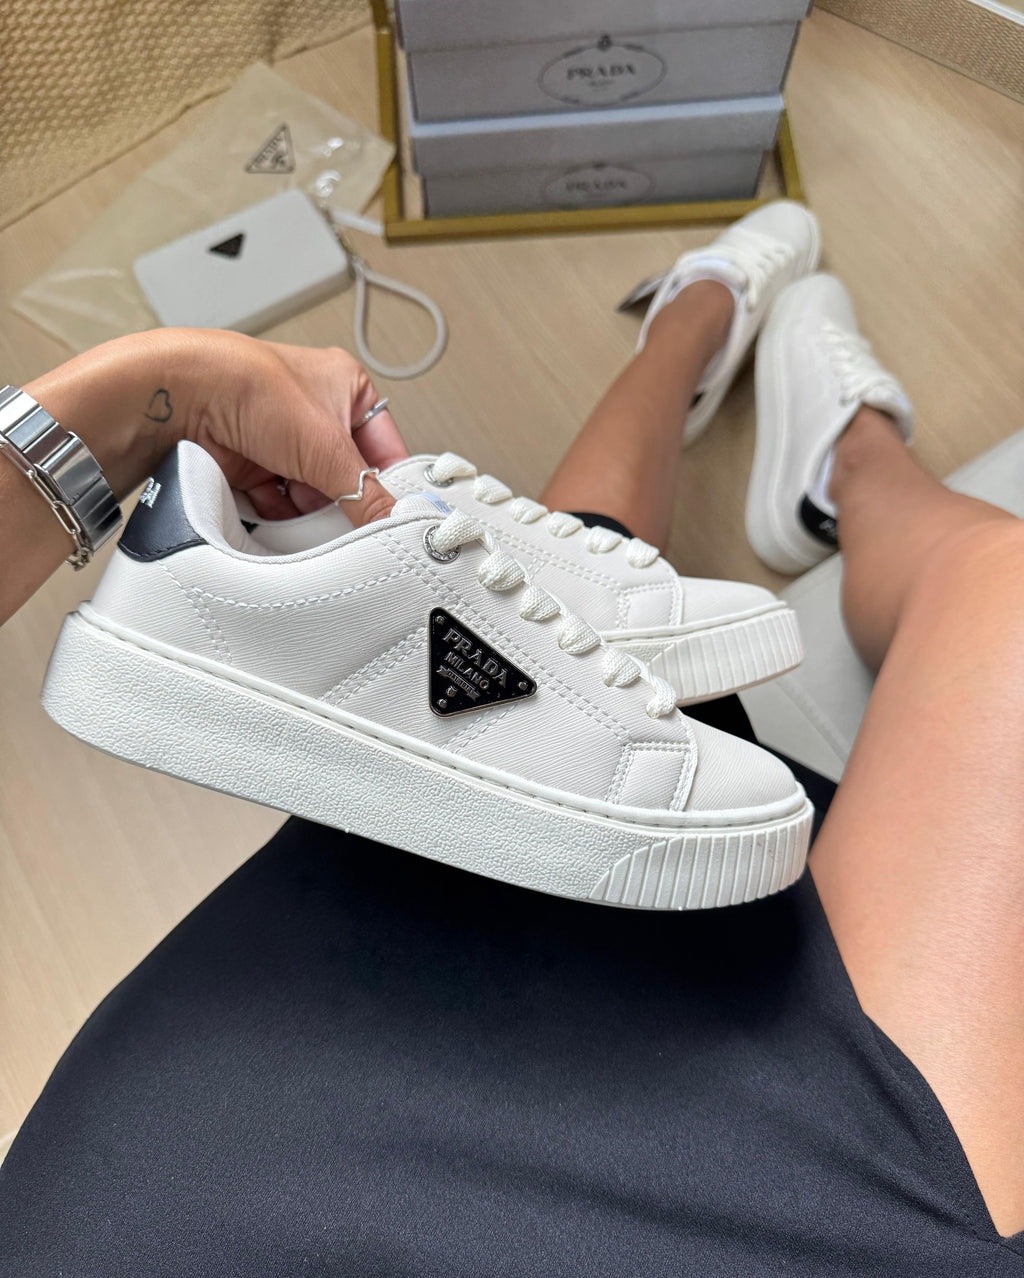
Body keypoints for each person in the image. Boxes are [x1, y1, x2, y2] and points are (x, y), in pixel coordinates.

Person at [0, 209, 1021, 1274]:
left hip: (173, 1166)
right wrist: (147, 398)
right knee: (999, 590)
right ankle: (847, 455)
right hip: (749, 1186)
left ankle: (694, 319)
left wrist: (144, 401)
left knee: (547, 621)